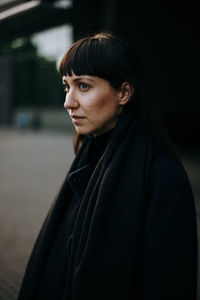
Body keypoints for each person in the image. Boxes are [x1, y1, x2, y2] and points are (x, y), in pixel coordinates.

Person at [17, 32, 198, 300]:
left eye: (84, 86)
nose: (68, 102)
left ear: (124, 93)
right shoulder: (89, 159)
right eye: (67, 86)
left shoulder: (161, 177)